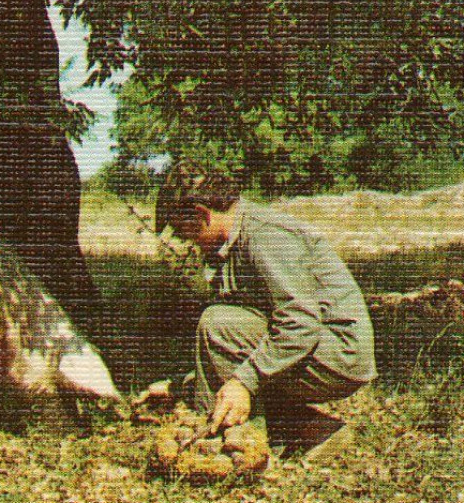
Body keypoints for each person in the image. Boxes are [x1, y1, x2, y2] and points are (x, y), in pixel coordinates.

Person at [155, 160, 376, 459]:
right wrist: (182, 385)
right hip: (319, 349)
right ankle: (314, 430)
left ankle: (236, 446)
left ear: (201, 215)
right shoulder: (234, 241)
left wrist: (245, 380)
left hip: (339, 356)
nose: (189, 243)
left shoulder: (265, 236)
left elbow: (300, 324)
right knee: (225, 328)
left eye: (185, 233)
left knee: (219, 325)